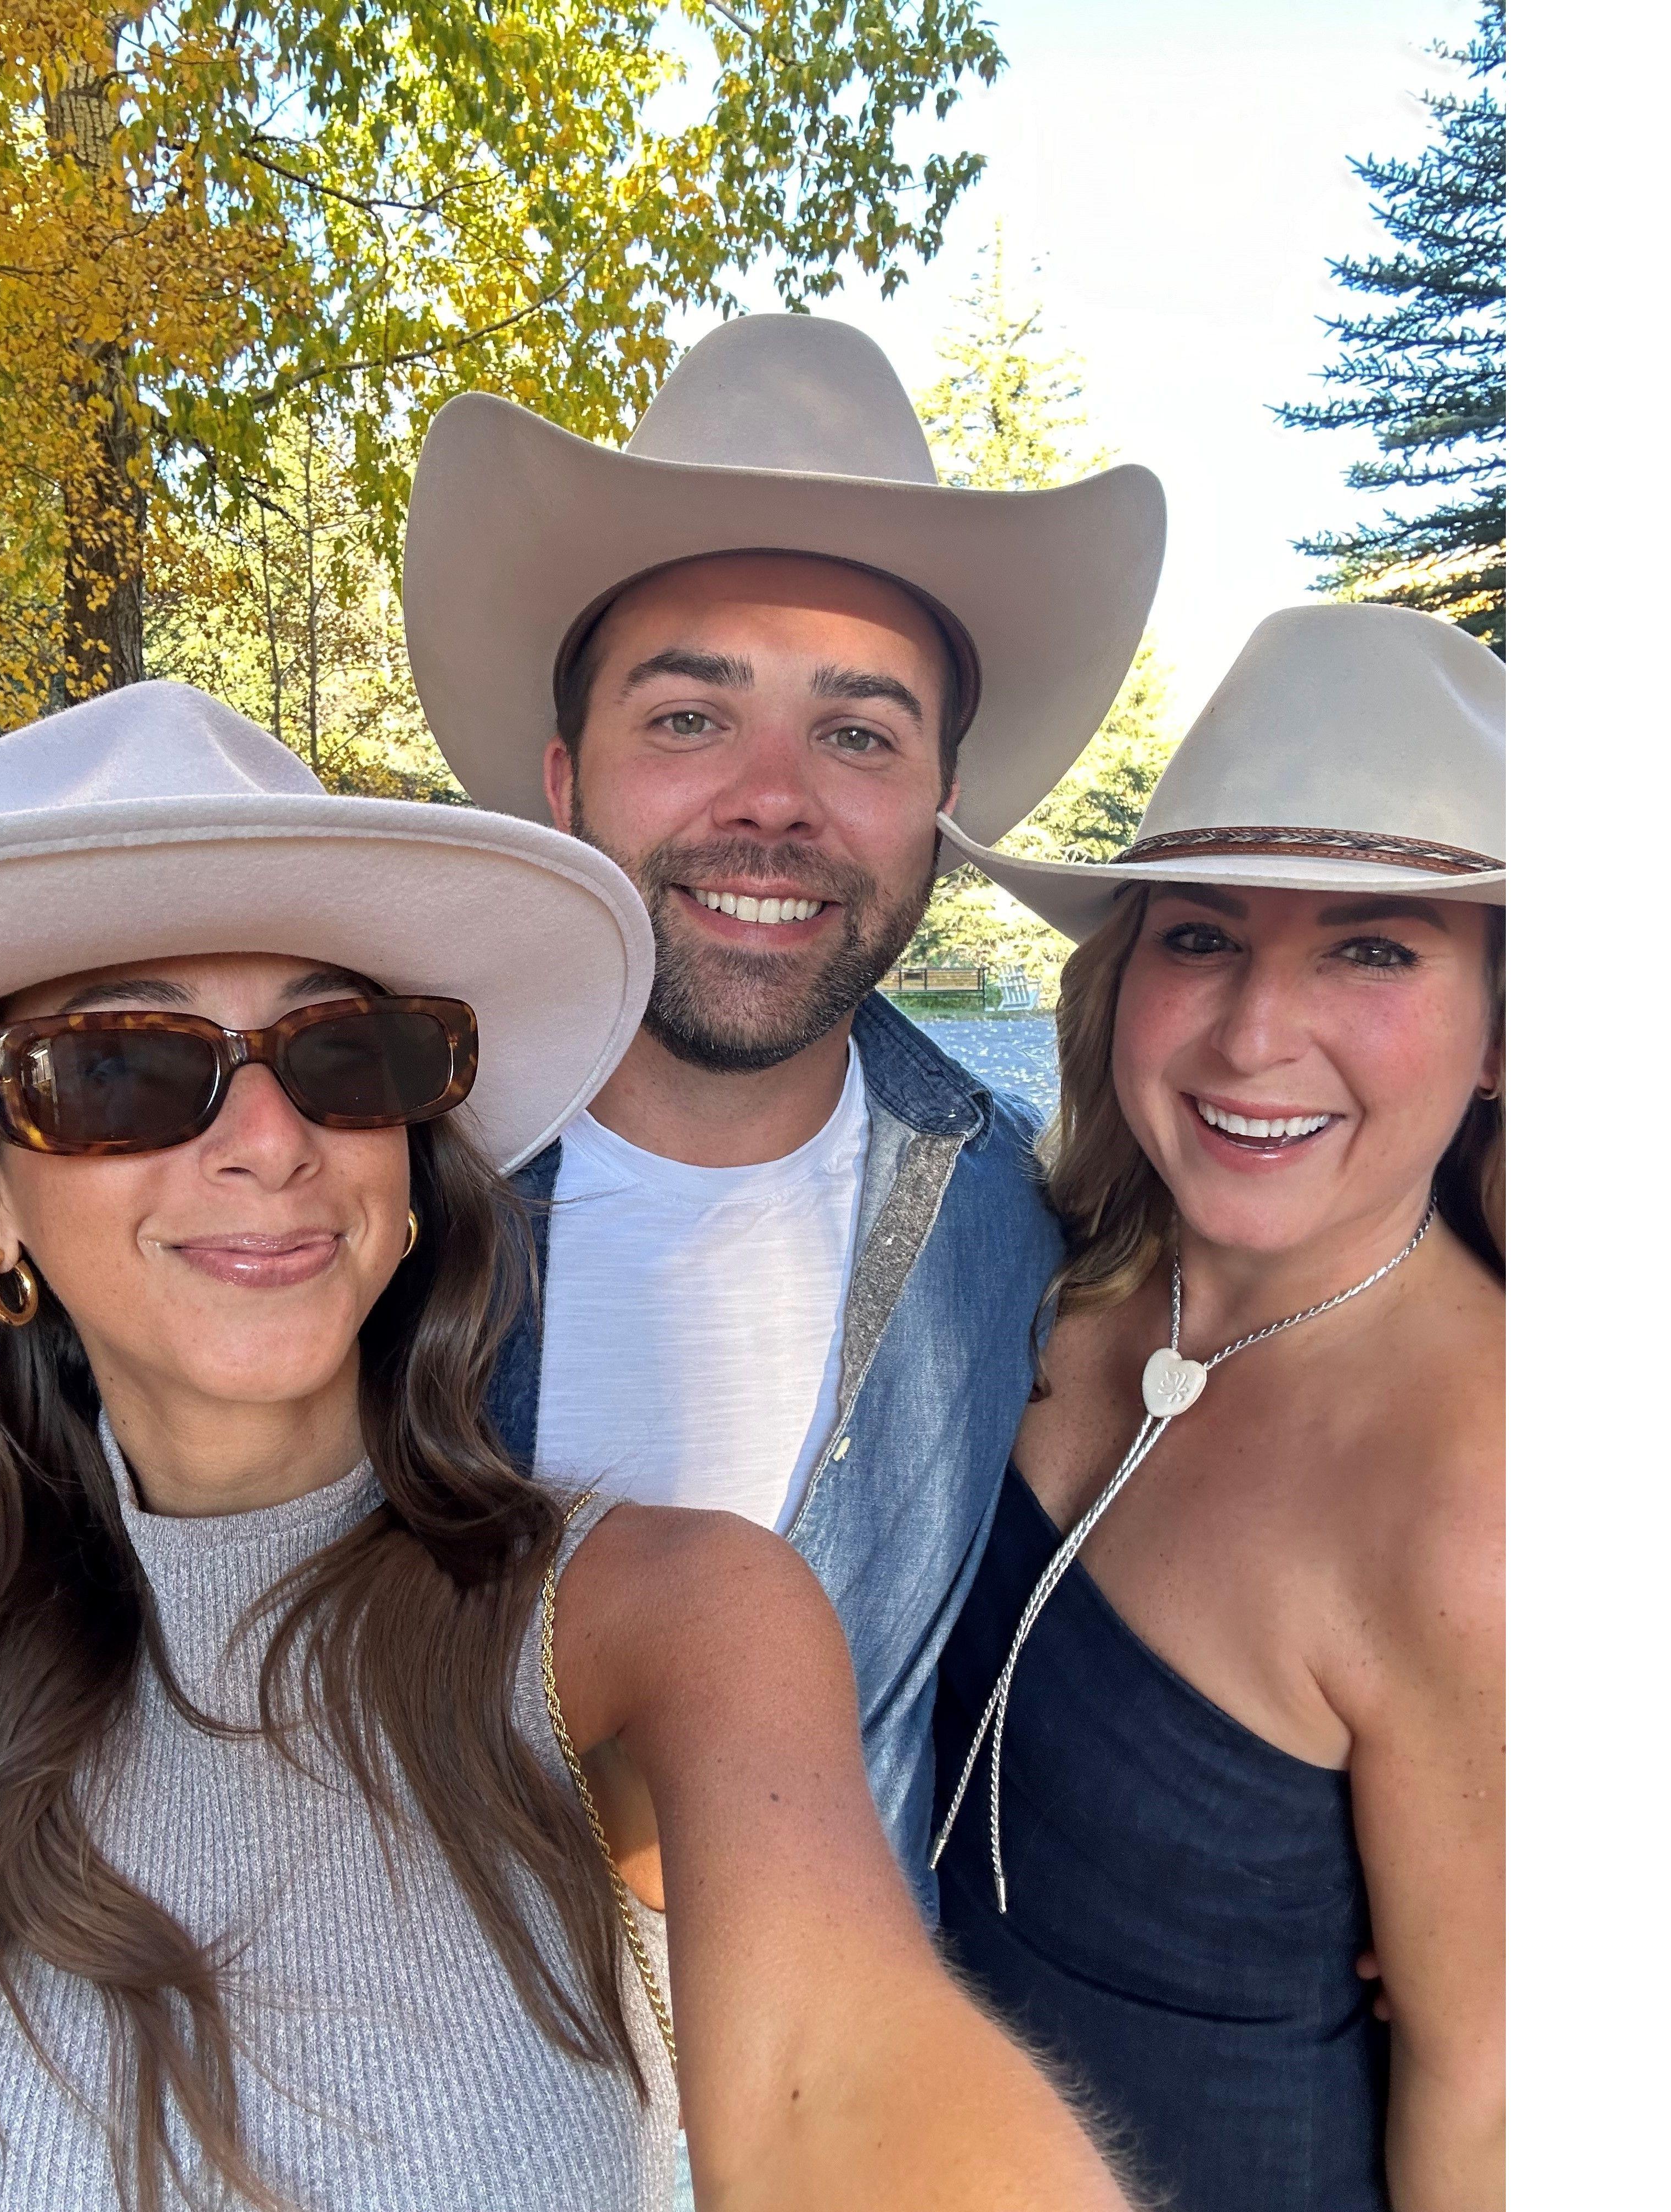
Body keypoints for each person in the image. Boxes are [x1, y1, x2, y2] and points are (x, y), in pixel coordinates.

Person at [0, 682, 1130, 2212]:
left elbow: (838, 2075)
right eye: (122, 1066)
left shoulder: (669, 1624)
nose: (271, 1141)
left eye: (344, 1054)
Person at [400, 311, 1167, 1913]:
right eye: (690, 717)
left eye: (858, 734)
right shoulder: (363, 1194)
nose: (774, 800)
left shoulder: (1024, 1235)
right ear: (567, 784)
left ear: (940, 806)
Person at [928, 605, 1505, 2212]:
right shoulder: (1030, 1272)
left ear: (1507, 1035)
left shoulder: (1488, 1498)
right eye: (1200, 936)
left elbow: (1493, 2102)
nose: (1255, 1034)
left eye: (1374, 947)